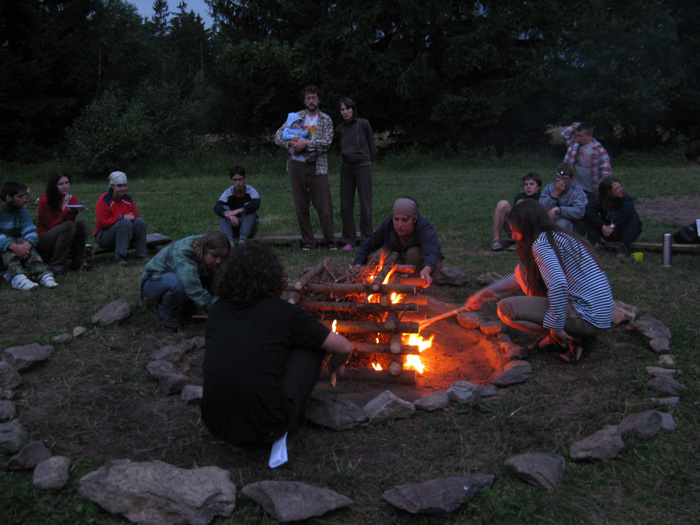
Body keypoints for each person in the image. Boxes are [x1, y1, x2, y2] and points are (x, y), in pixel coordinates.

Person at [201, 242, 352, 447]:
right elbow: (344, 347)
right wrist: (336, 366)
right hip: (267, 427)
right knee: (313, 345)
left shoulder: (217, 310)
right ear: (272, 276)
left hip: (216, 424)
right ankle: (293, 417)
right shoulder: (284, 313)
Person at [465, 199, 613, 364]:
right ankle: (571, 332)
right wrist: (484, 293)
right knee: (522, 270)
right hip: (599, 313)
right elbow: (521, 276)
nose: (513, 235)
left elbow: (558, 285)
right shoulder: (556, 236)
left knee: (506, 310)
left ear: (526, 226)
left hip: (588, 317)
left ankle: (573, 337)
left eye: (514, 229)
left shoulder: (541, 244)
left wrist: (556, 328)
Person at [274, 85, 336, 251]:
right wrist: (291, 143)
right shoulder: (295, 117)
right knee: (301, 205)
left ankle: (330, 240)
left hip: (317, 166)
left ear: (319, 100)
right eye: (308, 98)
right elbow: (278, 136)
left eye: (314, 98)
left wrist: (306, 143)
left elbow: (327, 142)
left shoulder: (326, 119)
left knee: (324, 206)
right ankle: (308, 241)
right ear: (304, 101)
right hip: (297, 165)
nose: (311, 101)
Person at [140, 233, 230, 332]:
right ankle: (168, 317)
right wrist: (220, 310)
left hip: (176, 275)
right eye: (215, 256)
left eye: (222, 257)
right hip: (153, 281)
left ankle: (191, 308)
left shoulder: (207, 246)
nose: (218, 260)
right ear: (205, 249)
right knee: (177, 285)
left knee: (215, 271)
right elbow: (195, 291)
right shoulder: (184, 256)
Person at [353, 197, 443, 286]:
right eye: (396, 219)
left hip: (417, 264)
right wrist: (358, 264)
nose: (399, 225)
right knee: (379, 254)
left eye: (405, 220)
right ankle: (380, 282)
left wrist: (427, 269)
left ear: (414, 220)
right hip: (397, 262)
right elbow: (367, 246)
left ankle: (414, 284)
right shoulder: (388, 226)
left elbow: (431, 252)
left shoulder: (425, 229)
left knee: (414, 253)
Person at [0, 181, 58, 290]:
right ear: (8, 198)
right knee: (8, 241)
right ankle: (17, 276)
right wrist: (13, 246)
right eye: (20, 196)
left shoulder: (21, 210)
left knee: (23, 241)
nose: (25, 199)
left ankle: (42, 273)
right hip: (4, 250)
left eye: (25, 196)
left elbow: (30, 229)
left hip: (18, 249)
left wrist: (26, 245)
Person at [336, 97, 376, 251]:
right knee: (346, 204)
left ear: (353, 109)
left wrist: (369, 161)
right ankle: (349, 240)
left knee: (365, 204)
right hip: (346, 167)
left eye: (348, 108)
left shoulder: (363, 124)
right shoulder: (340, 129)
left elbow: (371, 143)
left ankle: (367, 238)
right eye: (342, 109)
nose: (346, 112)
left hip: (363, 166)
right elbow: (339, 146)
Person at [36, 171, 91, 273]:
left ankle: (80, 262)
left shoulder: (72, 199)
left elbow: (71, 227)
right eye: (61, 184)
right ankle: (56, 264)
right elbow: (50, 226)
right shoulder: (45, 200)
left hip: (64, 235)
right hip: (46, 237)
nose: (65, 186)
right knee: (69, 226)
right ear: (54, 186)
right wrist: (65, 213)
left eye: (67, 183)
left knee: (82, 225)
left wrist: (74, 213)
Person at [94, 171, 149, 266]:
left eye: (125, 185)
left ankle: (141, 254)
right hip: (104, 235)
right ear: (112, 186)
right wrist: (121, 217)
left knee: (140, 222)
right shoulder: (104, 200)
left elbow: (134, 217)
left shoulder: (128, 199)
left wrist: (131, 219)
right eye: (119, 186)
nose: (123, 189)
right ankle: (119, 257)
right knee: (125, 223)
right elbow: (102, 223)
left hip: (124, 232)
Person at [584, 178, 642, 258]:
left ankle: (623, 246)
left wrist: (612, 226)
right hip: (607, 232)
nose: (621, 189)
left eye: (620, 187)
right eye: (616, 189)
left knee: (633, 216)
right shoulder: (600, 199)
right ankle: (596, 244)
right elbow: (590, 212)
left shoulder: (625, 198)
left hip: (623, 231)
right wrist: (603, 226)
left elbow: (627, 212)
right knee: (589, 217)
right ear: (609, 192)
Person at [561, 122, 612, 202]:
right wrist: (577, 125)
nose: (578, 138)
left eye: (581, 136)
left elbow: (606, 172)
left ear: (589, 135)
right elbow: (564, 134)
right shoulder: (574, 145)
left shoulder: (598, 149)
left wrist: (602, 190)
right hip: (575, 187)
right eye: (576, 135)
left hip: (590, 189)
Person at [491, 172, 542, 251]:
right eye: (526, 184)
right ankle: (496, 240)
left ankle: (521, 242)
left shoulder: (542, 198)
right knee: (502, 204)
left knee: (522, 203)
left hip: (533, 231)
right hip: (516, 228)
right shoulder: (519, 196)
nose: (528, 187)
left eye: (531, 184)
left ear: (538, 187)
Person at [213, 166, 261, 246]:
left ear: (245, 179)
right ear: (231, 180)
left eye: (240, 179)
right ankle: (229, 243)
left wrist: (238, 211)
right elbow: (217, 207)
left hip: (249, 229)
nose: (238, 183)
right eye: (235, 180)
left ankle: (242, 241)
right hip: (233, 227)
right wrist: (227, 214)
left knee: (249, 207)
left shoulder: (251, 190)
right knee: (224, 210)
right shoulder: (228, 192)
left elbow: (256, 204)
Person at [539, 163, 587, 233]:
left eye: (564, 179)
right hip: (551, 221)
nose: (560, 181)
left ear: (572, 179)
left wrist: (559, 210)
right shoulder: (549, 189)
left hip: (572, 225)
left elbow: (579, 212)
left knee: (562, 222)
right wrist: (554, 194)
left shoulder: (577, 192)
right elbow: (541, 209)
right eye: (558, 177)